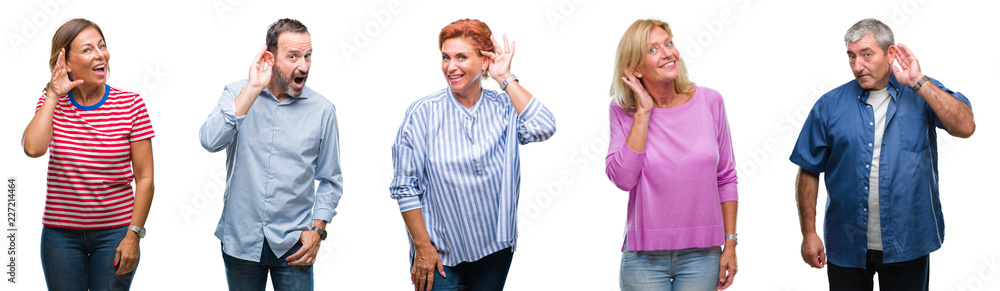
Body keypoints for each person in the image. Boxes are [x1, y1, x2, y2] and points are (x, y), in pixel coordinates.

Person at [791, 18, 975, 291]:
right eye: (851, 56)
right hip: (846, 244)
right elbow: (808, 169)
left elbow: (965, 126)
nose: (857, 66)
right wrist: (808, 233)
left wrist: (918, 81)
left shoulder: (920, 93)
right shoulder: (829, 105)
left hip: (908, 241)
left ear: (890, 54)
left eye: (866, 55)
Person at [389, 18, 556, 291]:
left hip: (494, 248)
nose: (450, 67)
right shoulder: (422, 113)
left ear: (484, 61)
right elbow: (405, 187)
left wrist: (505, 78)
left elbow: (544, 126)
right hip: (440, 252)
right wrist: (422, 248)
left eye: (461, 57)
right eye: (445, 57)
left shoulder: (504, 107)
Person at [199, 18, 343, 291]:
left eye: (308, 56)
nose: (304, 66)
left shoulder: (323, 110)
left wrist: (318, 230)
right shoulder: (237, 93)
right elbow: (210, 140)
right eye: (293, 57)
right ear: (270, 57)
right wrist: (253, 89)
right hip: (240, 241)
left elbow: (330, 179)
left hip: (293, 246)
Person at [21, 18, 155, 290]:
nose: (100, 55)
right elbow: (33, 149)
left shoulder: (131, 105)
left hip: (116, 233)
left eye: (102, 46)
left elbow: (145, 177)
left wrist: (134, 235)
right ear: (66, 62)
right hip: (60, 237)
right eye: (87, 49)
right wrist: (52, 94)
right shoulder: (52, 104)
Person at [605, 19, 739, 291]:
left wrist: (731, 243)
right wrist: (643, 112)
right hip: (643, 257)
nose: (668, 53)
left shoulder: (710, 101)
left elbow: (726, 178)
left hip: (703, 255)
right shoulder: (623, 110)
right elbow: (622, 179)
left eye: (669, 44)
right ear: (634, 69)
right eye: (653, 49)